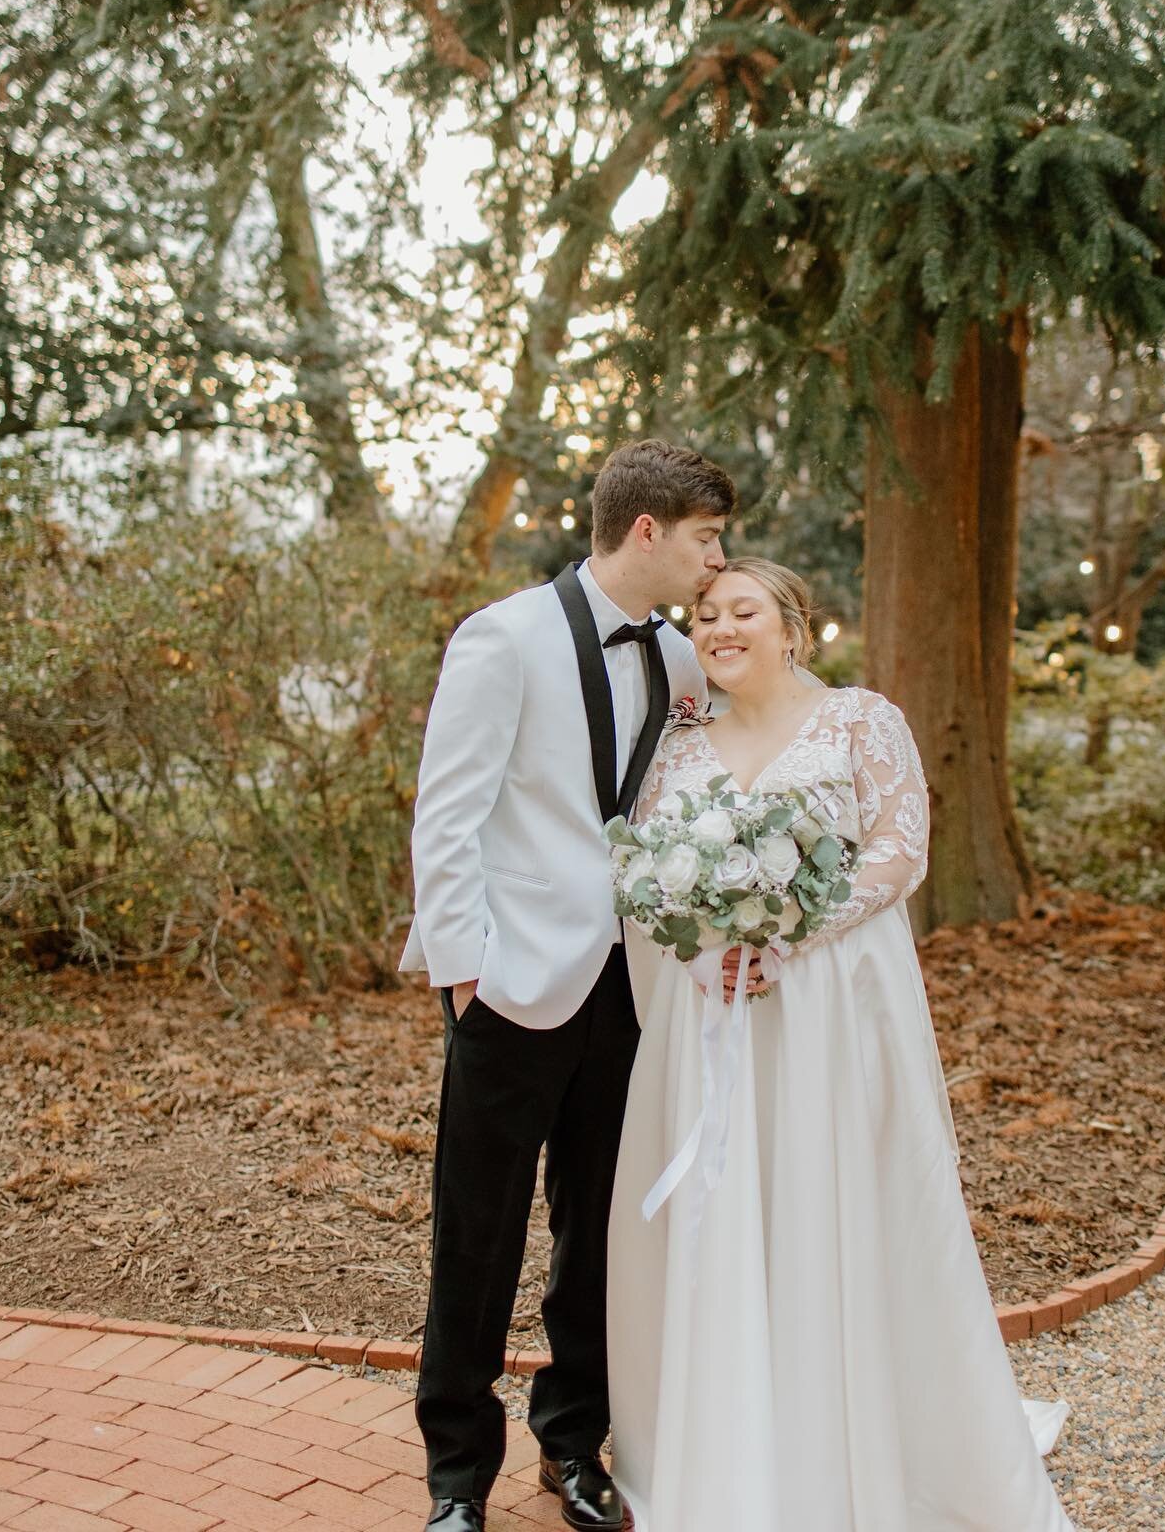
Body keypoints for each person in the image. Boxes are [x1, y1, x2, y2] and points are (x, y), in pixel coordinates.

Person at [608, 556, 1077, 1532]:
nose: (720, 628)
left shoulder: (863, 721)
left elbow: (901, 854)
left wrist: (790, 930)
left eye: (743, 612)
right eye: (705, 616)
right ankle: (738, 1438)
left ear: (793, 628)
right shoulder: (679, 746)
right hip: (718, 1012)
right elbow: (653, 877)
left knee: (839, 1200)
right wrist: (707, 949)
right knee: (737, 1206)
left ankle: (856, 1434)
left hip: (831, 1005)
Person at [400, 440, 736, 1532]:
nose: (717, 560)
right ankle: (457, 1477)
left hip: (634, 993)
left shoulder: (684, 665)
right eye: (705, 537)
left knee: (599, 1232)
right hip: (512, 986)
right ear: (647, 531)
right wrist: (464, 976)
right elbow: (446, 817)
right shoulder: (503, 638)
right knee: (477, 1236)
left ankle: (574, 1446)